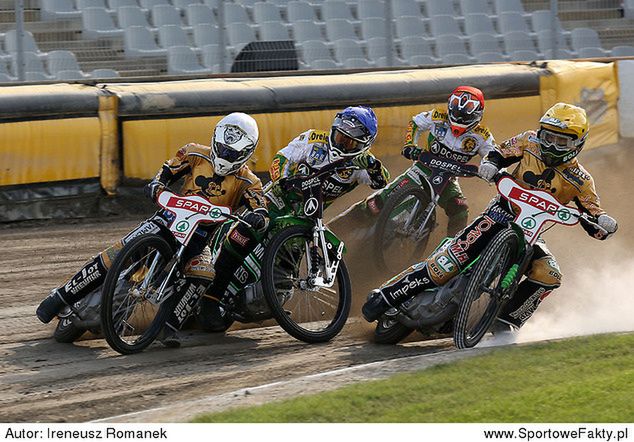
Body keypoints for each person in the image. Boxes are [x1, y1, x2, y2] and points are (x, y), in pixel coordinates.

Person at [362, 103, 618, 331]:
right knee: (447, 265)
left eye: (561, 142)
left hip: (530, 233)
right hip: (498, 214)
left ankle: (506, 322)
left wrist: (602, 225)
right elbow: (499, 152)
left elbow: (594, 212)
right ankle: (387, 295)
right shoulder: (529, 141)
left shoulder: (582, 180)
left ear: (578, 143)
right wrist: (491, 165)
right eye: (548, 137)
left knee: (549, 274)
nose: (551, 145)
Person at [36, 112, 269, 347]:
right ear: (215, 139)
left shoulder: (249, 181)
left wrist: (258, 217)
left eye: (231, 153)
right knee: (119, 251)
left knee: (204, 273)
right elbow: (167, 170)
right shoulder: (194, 152)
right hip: (166, 221)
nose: (225, 155)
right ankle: (60, 297)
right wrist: (158, 184)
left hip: (200, 239)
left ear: (246, 152)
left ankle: (166, 326)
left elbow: (260, 206)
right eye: (221, 148)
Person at [196, 106, 391, 328]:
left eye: (350, 143)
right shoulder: (313, 139)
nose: (341, 144)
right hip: (278, 199)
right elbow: (281, 159)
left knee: (285, 272)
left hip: (306, 218)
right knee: (243, 236)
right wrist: (283, 179)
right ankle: (210, 300)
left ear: (363, 145)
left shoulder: (361, 163)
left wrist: (374, 166)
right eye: (339, 137)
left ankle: (267, 299)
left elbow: (381, 181)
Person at [400, 86, 496, 236]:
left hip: (448, 179)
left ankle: (449, 250)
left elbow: (493, 157)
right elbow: (415, 123)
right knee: (376, 204)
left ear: (478, 115)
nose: (459, 119)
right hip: (421, 169)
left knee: (460, 208)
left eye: (465, 117)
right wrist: (410, 145)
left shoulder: (483, 136)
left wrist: (493, 171)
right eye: (456, 114)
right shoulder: (437, 115)